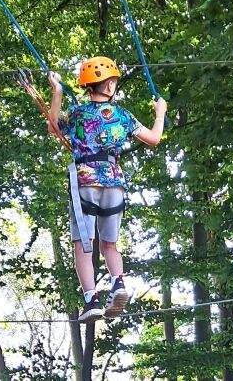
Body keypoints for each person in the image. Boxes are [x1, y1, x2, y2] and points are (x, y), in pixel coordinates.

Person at [45, 56, 166, 323]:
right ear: (109, 85)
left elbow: (53, 126)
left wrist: (57, 92)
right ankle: (118, 282)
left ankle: (91, 299)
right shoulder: (123, 116)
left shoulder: (77, 114)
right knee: (109, 244)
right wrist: (160, 113)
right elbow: (154, 138)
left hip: (85, 182)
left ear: (88, 86)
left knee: (83, 245)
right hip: (114, 182)